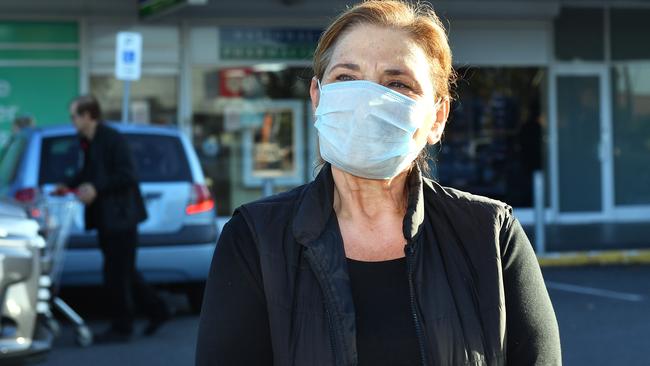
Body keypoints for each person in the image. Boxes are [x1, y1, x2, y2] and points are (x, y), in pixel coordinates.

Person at [196, 1, 561, 365]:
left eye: (397, 83)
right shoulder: (255, 240)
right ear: (317, 99)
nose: (367, 102)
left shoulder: (491, 237)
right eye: (347, 78)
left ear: (438, 117)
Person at [59, 95, 170, 344]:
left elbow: (127, 174)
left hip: (121, 217)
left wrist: (96, 189)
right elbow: (89, 171)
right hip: (106, 218)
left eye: (75, 115)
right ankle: (159, 310)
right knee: (124, 270)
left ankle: (122, 327)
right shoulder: (88, 140)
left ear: (88, 115)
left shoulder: (111, 139)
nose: (72, 120)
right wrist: (68, 185)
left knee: (115, 274)